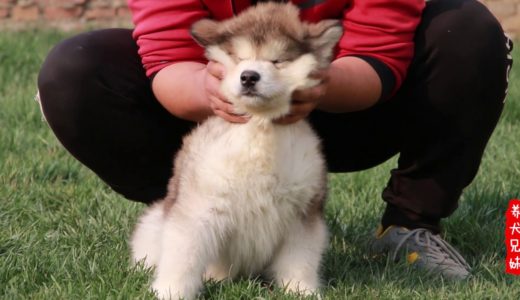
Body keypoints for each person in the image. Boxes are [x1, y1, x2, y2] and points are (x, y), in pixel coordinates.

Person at [37, 0, 513, 280]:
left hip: (344, 101)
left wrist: (317, 86)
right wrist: (209, 90)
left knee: (468, 31)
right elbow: (167, 55)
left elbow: (380, 53)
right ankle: (203, 229)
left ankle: (410, 225)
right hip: (220, 120)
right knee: (75, 70)